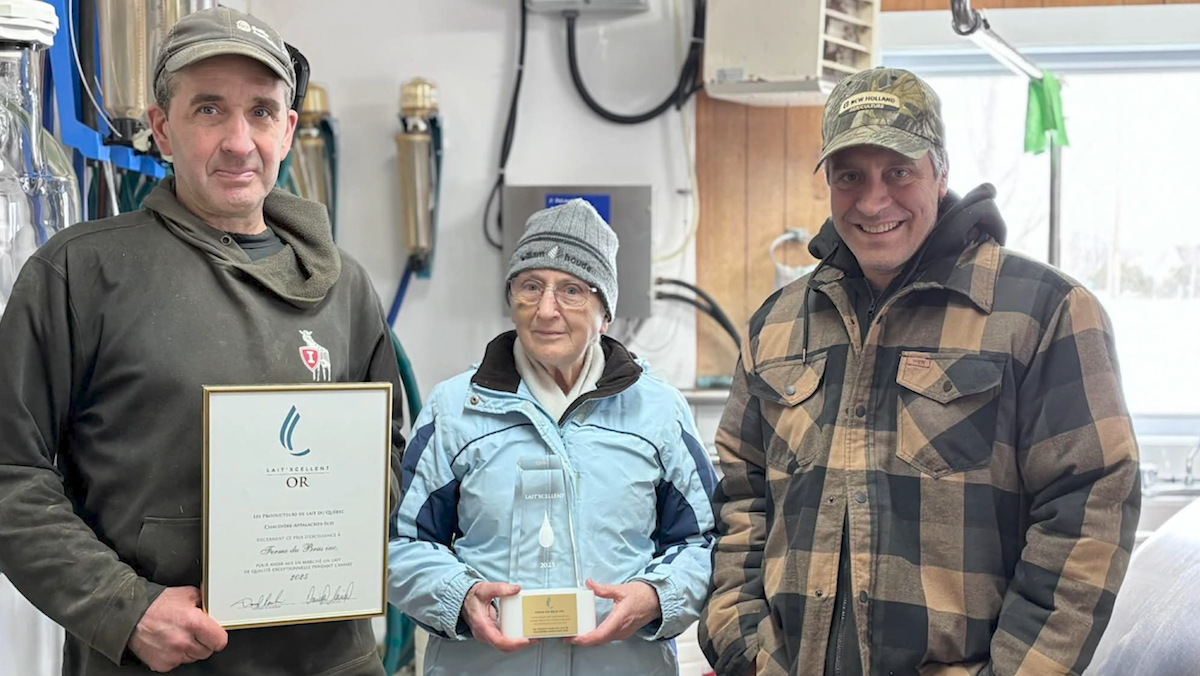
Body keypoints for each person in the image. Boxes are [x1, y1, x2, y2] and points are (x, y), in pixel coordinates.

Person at [0, 7, 404, 675]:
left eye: (263, 112)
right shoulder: (80, 275)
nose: (240, 141)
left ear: (290, 131)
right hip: (156, 662)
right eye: (209, 110)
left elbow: (389, 455)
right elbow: (12, 473)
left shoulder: (345, 288)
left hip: (331, 660)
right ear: (161, 128)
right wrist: (124, 608)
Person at [699, 67, 1140, 676]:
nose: (874, 200)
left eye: (899, 172)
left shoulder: (1041, 312)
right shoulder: (776, 325)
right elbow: (741, 502)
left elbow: (1091, 507)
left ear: (941, 171)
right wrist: (742, 650)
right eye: (850, 175)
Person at [388, 199, 717, 675]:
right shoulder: (455, 408)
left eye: (571, 290)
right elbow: (403, 544)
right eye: (530, 286)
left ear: (604, 311)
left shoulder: (658, 412)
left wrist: (654, 597)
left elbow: (705, 542)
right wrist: (459, 597)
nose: (546, 310)